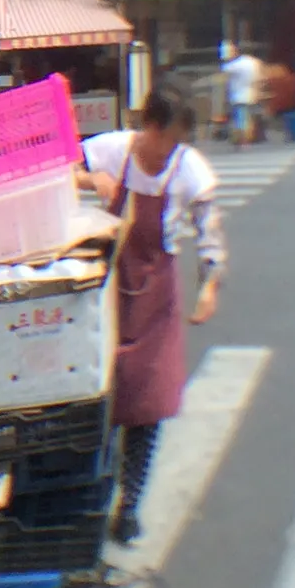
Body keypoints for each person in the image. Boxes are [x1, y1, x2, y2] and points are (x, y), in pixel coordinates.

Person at [74, 85, 224, 545]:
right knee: (101, 402)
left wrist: (211, 283)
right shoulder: (112, 149)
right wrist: (89, 182)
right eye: (170, 137)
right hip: (107, 291)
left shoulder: (188, 169)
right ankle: (93, 500)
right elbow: (60, 169)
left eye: (181, 140)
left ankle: (130, 506)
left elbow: (209, 229)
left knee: (148, 407)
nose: (173, 148)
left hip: (156, 297)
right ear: (150, 127)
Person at [219, 41, 262, 146]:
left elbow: (224, 69)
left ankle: (243, 140)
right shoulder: (254, 62)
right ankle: (253, 137)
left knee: (241, 120)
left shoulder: (236, 65)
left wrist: (227, 57)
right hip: (253, 94)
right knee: (250, 117)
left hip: (239, 96)